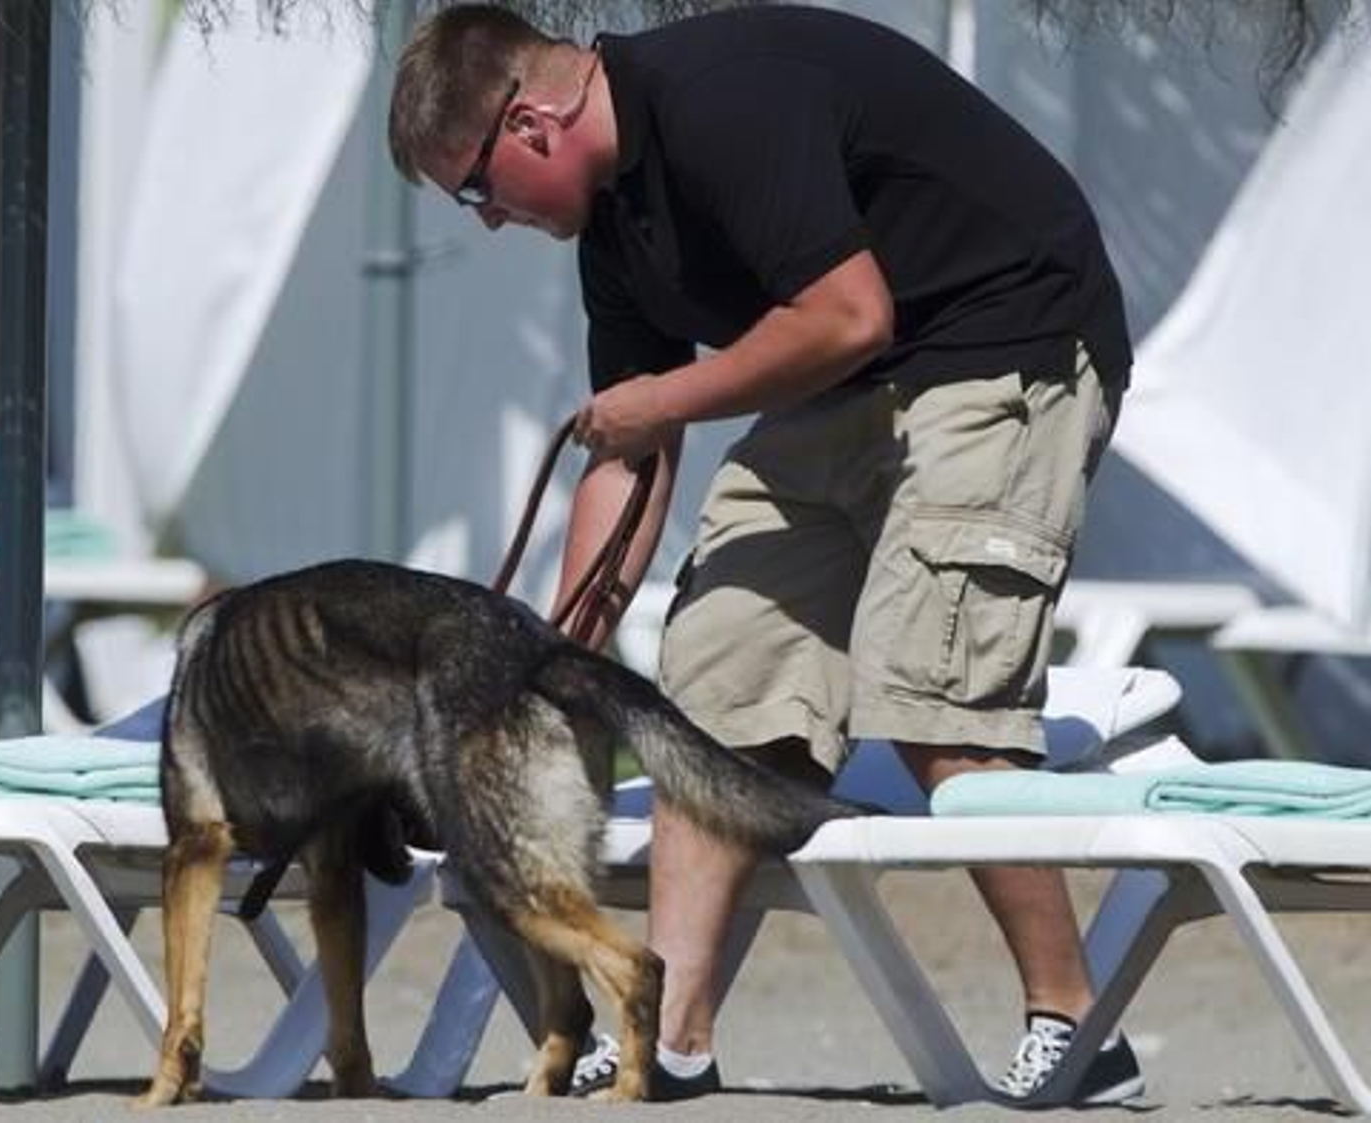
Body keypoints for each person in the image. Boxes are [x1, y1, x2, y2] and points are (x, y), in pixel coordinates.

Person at [389, 3, 1143, 1105]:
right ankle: (671, 1041)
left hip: (1005, 347)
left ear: (535, 121)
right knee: (712, 696)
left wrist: (659, 397)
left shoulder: (721, 101)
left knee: (934, 696)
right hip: (842, 386)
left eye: (475, 187)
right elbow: (632, 446)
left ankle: (1079, 1029)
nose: (488, 220)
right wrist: (552, 664)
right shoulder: (612, 225)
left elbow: (845, 314)